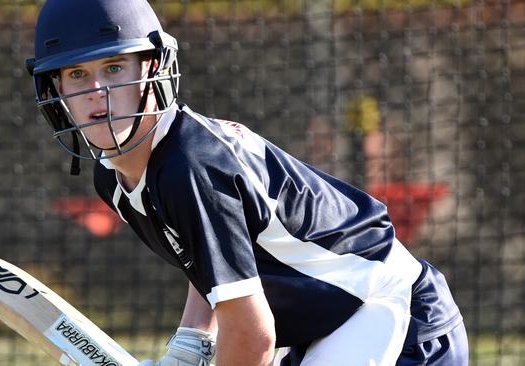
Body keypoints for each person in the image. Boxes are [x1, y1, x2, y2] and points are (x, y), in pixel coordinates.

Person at [26, 0, 469, 365]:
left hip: (391, 313)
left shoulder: (190, 167)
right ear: (56, 90)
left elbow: (252, 336)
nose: (98, 92)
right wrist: (192, 342)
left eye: (115, 67)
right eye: (78, 74)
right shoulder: (114, 173)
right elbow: (209, 256)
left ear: (153, 67)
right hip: (322, 323)